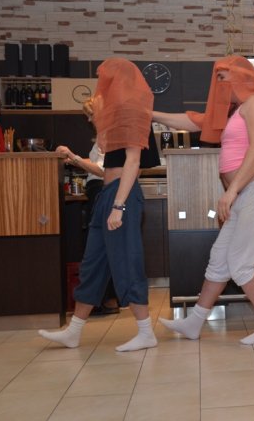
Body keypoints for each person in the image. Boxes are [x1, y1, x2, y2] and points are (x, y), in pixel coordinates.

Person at [153, 55, 254, 345]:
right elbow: (192, 121)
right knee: (220, 259)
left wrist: (231, 190)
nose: (217, 84)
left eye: (222, 77)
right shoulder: (235, 110)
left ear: (241, 77)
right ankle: (194, 322)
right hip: (249, 191)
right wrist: (150, 114)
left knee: (241, 262)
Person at [39, 58, 160, 351]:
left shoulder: (132, 110)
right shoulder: (117, 113)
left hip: (121, 195)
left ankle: (146, 332)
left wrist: (118, 206)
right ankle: (74, 331)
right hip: (107, 195)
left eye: (105, 78)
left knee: (127, 262)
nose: (101, 84)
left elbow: (134, 161)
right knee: (93, 262)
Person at [57, 141, 119, 315]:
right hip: (100, 190)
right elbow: (97, 162)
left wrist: (74, 157)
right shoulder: (104, 135)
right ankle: (106, 299)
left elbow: (102, 170)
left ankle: (104, 300)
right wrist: (72, 159)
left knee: (98, 249)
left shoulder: (107, 134)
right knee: (104, 247)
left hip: (101, 190)